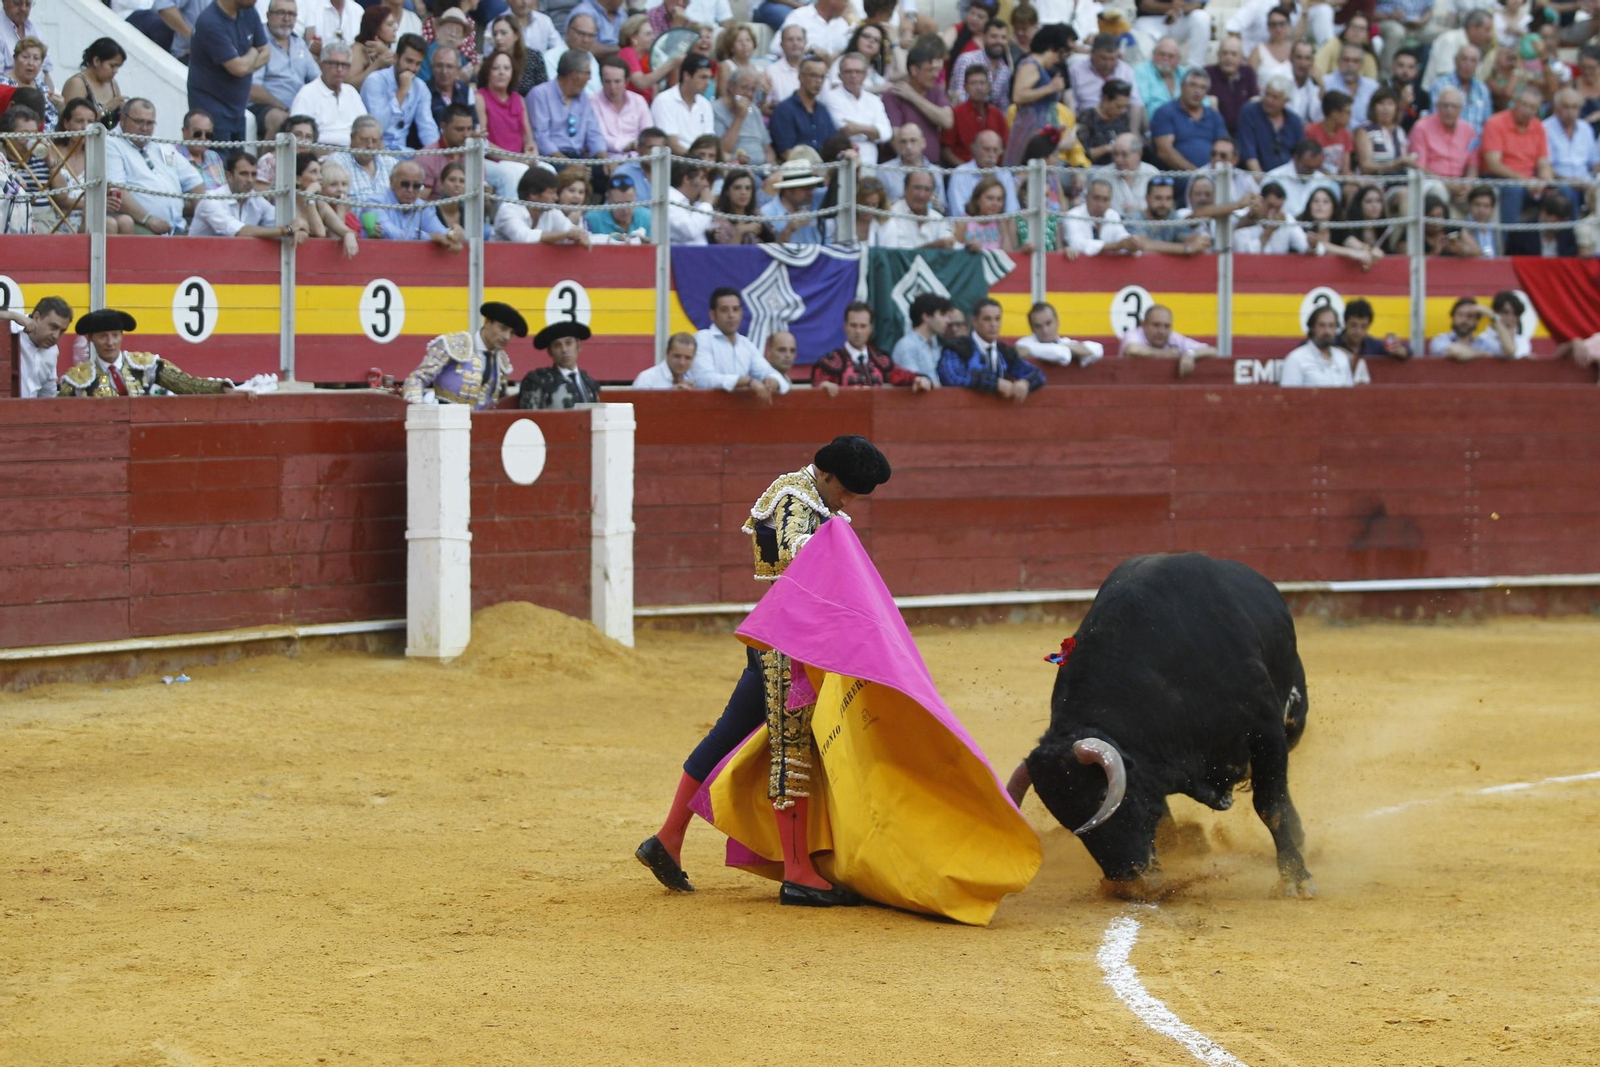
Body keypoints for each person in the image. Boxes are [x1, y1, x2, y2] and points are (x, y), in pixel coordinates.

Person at [636, 435, 893, 905]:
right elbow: (800, 554)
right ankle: (797, 871)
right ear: (828, 474)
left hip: (782, 636)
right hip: (790, 646)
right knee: (792, 748)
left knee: (727, 735)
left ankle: (667, 838)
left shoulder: (806, 495)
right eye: (848, 491)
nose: (849, 501)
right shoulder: (796, 499)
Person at [58, 309, 230, 397]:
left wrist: (222, 388)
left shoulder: (144, 365)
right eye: (103, 337)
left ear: (121, 336)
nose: (110, 343)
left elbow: (186, 384)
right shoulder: (77, 379)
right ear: (91, 339)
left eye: (115, 336)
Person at [106, 100, 204, 236]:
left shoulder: (159, 144)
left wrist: (201, 222)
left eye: (150, 123)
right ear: (123, 119)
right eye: (139, 122)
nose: (145, 128)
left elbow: (195, 182)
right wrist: (148, 219)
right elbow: (117, 190)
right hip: (139, 223)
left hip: (176, 227)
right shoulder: (111, 143)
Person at [402, 301, 525, 407]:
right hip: (445, 423)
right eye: (503, 328)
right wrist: (420, 409)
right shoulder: (453, 344)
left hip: (481, 426)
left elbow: (499, 401)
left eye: (512, 333)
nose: (507, 337)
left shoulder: (501, 361)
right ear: (487, 322)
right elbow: (415, 379)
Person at [1482, 85, 1554, 255]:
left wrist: (1546, 182)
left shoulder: (1538, 127)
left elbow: (1543, 163)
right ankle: (1508, 247)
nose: (1527, 110)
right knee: (1514, 190)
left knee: (1562, 192)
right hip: (1500, 179)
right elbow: (1493, 164)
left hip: (1530, 182)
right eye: (1524, 104)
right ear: (1514, 103)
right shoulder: (1495, 123)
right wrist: (1524, 180)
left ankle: (1564, 249)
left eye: (1533, 107)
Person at [937, 297, 1046, 402]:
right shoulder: (958, 348)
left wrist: (1026, 383)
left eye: (997, 319)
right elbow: (953, 377)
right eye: (987, 319)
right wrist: (995, 384)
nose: (993, 324)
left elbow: (1037, 374)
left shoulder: (1004, 351)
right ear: (974, 321)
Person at [811, 302, 933, 393]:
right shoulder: (830, 363)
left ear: (870, 328)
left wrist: (918, 379)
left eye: (863, 326)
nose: (858, 331)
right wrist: (823, 386)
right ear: (845, 327)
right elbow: (818, 387)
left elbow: (901, 376)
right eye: (853, 325)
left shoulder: (880, 360)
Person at [689, 287, 789, 399]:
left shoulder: (746, 344)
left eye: (735, 309)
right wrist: (745, 381)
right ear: (712, 315)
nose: (731, 315)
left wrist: (773, 380)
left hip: (740, 414)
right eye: (724, 310)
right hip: (705, 411)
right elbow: (703, 379)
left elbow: (772, 374)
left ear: (741, 313)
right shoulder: (702, 338)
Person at [191, 150, 309, 244]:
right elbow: (240, 231)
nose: (250, 180)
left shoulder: (255, 198)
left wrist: (300, 228)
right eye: (244, 174)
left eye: (254, 174)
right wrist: (287, 230)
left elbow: (284, 220)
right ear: (229, 176)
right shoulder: (211, 200)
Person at [354, 32, 435, 150]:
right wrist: (401, 93)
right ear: (396, 58)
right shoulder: (375, 81)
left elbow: (427, 127)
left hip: (403, 152)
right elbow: (379, 126)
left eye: (418, 64)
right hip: (374, 150)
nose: (412, 68)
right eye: (409, 61)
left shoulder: (420, 88)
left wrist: (437, 153)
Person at [252, 0, 320, 138]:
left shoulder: (299, 42)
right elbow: (253, 90)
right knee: (281, 121)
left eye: (291, 14)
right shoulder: (258, 40)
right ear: (268, 15)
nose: (287, 18)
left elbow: (318, 79)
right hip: (264, 106)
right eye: (281, 13)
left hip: (298, 107)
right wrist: (285, 108)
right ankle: (267, 159)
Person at [883, 39, 952, 164]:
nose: (936, 75)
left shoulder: (936, 90)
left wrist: (913, 97)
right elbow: (896, 137)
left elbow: (947, 121)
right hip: (903, 167)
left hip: (933, 166)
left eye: (937, 70)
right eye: (930, 70)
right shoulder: (893, 94)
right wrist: (917, 165)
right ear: (914, 70)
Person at [367, 159, 464, 248]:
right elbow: (392, 234)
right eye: (405, 184)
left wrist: (453, 234)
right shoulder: (375, 202)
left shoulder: (423, 207)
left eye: (416, 186)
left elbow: (439, 232)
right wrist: (428, 236)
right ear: (392, 181)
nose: (410, 190)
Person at [528, 49, 606, 158]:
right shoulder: (540, 94)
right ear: (574, 74)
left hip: (579, 157)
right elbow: (541, 137)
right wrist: (568, 164)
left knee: (612, 171)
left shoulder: (583, 98)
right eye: (587, 73)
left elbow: (594, 133)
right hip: (551, 158)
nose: (590, 78)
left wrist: (604, 159)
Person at [822, 51, 892, 167]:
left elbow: (886, 133)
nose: (853, 75)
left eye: (858, 72)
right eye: (848, 71)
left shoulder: (874, 100)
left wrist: (858, 128)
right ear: (840, 76)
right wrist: (872, 131)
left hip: (871, 163)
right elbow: (845, 129)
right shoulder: (831, 97)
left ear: (865, 75)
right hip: (843, 163)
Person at [1151, 67, 1229, 170]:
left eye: (1203, 87)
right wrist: (1196, 174)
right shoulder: (1165, 112)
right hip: (1178, 178)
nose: (1198, 91)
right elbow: (1164, 151)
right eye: (1193, 85)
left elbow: (1225, 147)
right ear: (1182, 86)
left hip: (1211, 175)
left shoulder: (1214, 116)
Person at [290, 42, 366, 146]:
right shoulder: (307, 93)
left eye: (344, 65)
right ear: (321, 65)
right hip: (321, 153)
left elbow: (365, 126)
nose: (340, 69)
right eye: (334, 64)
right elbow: (298, 136)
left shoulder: (351, 92)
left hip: (356, 153)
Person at [495, 166, 591, 244]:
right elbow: (524, 238)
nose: (556, 198)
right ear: (533, 194)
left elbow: (573, 231)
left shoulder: (551, 211)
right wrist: (566, 235)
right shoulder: (509, 209)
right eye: (551, 193)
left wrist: (578, 235)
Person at [1119, 303, 1218, 376]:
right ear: (1144, 325)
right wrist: (1165, 354)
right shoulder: (1135, 334)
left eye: (1167, 326)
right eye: (1156, 325)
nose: (1162, 331)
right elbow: (1132, 349)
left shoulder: (1173, 338)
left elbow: (1213, 351)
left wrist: (1190, 354)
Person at [519, 320, 601, 408]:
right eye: (557, 345)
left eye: (569, 343)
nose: (564, 350)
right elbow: (529, 419)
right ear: (550, 351)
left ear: (579, 346)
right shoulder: (538, 382)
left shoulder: (588, 382)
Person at [2, 294, 71, 398]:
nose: (56, 336)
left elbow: (48, 394)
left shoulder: (52, 351)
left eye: (62, 331)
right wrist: (13, 316)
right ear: (37, 317)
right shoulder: (10, 330)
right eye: (53, 327)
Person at [769, 55, 837, 157]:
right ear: (800, 77)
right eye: (814, 75)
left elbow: (833, 143)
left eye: (822, 77)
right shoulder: (784, 110)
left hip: (825, 168)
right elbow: (786, 152)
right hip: (797, 169)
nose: (819, 81)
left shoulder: (823, 111)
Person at [1238, 74, 1305, 173]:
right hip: (1254, 177)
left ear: (1285, 101)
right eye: (1267, 94)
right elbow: (1249, 152)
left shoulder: (1294, 121)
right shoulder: (1249, 112)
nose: (1269, 100)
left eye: (1275, 97)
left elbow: (1300, 155)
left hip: (1287, 178)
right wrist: (1262, 181)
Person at [947, 129, 1020, 219]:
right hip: (968, 229)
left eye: (995, 150)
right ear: (974, 149)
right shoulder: (960, 174)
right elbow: (959, 212)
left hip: (1000, 227)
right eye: (986, 149)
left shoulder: (1005, 174)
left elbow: (1012, 211)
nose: (991, 155)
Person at [650, 52, 714, 154]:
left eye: (709, 78)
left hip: (701, 162)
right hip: (675, 164)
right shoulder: (664, 100)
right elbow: (672, 144)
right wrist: (698, 161)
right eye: (703, 77)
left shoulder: (705, 104)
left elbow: (709, 143)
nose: (708, 83)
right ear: (687, 75)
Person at [878, 168, 957, 248]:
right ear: (905, 189)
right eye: (917, 188)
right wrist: (935, 246)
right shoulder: (890, 216)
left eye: (927, 189)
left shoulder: (939, 219)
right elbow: (894, 256)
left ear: (932, 193)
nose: (921, 195)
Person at [477, 50, 536, 156]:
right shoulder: (480, 97)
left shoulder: (518, 99)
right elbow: (483, 141)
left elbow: (528, 138)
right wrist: (516, 159)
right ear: (487, 73)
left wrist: (532, 152)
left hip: (520, 159)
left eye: (507, 68)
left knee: (548, 169)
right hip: (494, 160)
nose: (501, 72)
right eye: (496, 68)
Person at [1063, 176, 1139, 258]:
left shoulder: (1112, 215)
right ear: (1086, 197)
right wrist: (1116, 246)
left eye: (1105, 199)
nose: (1100, 204)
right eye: (1096, 198)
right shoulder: (1073, 215)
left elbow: (1121, 236)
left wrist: (1131, 243)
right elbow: (1077, 244)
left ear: (1110, 201)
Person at [325, 116, 393, 207]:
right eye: (364, 140)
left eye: (375, 141)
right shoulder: (337, 161)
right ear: (352, 138)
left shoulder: (390, 162)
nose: (370, 145)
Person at [1281, 305, 1355, 387]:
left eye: (1331, 325)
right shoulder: (1296, 359)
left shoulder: (1342, 358)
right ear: (1312, 327)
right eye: (1322, 325)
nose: (1327, 331)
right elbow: (1288, 397)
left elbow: (1349, 396)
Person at [59, 38, 125, 129]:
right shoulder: (77, 83)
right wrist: (106, 108)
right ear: (96, 61)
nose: (116, 71)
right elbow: (73, 121)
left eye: (118, 67)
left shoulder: (113, 84)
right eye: (112, 66)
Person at [1428, 296, 1521, 359]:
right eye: (1460, 315)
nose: (1464, 320)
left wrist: (1492, 316)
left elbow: (1510, 351)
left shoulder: (1483, 343)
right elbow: (1456, 351)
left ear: (1477, 321)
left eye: (1470, 316)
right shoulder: (1441, 339)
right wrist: (1484, 354)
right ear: (1453, 318)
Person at [714, 68, 773, 167]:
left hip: (762, 169)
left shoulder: (754, 110)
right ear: (731, 87)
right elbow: (723, 150)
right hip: (737, 169)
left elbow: (767, 148)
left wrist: (771, 166)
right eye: (744, 88)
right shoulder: (716, 110)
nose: (749, 94)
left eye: (753, 90)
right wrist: (739, 116)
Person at [1423, 8, 1495, 89]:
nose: (1490, 35)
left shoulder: (1477, 48)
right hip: (1439, 95)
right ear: (1473, 27)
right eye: (1487, 30)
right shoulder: (1449, 40)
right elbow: (1445, 77)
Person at [1015, 301, 1102, 367]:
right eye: (1038, 326)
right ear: (1032, 328)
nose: (1045, 330)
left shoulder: (1064, 342)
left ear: (1057, 322)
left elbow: (1098, 349)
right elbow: (1061, 354)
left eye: (1048, 323)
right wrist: (1071, 350)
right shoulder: (1024, 343)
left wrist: (1031, 351)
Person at [888, 292, 951, 383]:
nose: (948, 321)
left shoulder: (936, 345)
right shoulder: (907, 346)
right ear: (926, 317)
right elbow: (914, 383)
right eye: (942, 314)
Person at [949, 17, 1012, 107]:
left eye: (1003, 37)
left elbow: (1003, 105)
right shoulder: (967, 60)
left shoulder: (1005, 70)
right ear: (983, 38)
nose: (999, 41)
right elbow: (959, 98)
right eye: (994, 37)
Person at [594, 56, 650, 154]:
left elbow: (648, 132)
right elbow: (599, 138)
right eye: (607, 81)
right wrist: (630, 145)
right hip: (608, 159)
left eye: (617, 81)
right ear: (601, 81)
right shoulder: (593, 102)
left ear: (626, 81)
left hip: (638, 158)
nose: (612, 87)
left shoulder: (638, 101)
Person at [760, 157, 824, 243]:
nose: (811, 192)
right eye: (805, 188)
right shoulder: (767, 214)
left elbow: (837, 189)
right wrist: (788, 230)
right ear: (789, 190)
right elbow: (768, 252)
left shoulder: (814, 200)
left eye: (812, 187)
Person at [1135, 0, 1212, 70]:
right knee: (1143, 44)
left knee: (1201, 17)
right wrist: (1171, 8)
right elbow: (1144, 4)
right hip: (1149, 19)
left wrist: (1180, 10)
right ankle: (1146, 75)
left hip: (1180, 18)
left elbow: (1200, 3)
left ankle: (1195, 71)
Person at [1206, 35, 1257, 135]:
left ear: (1241, 58)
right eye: (1224, 53)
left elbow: (1254, 100)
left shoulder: (1248, 73)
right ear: (1218, 55)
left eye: (1234, 54)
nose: (1228, 58)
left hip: (1243, 132)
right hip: (1215, 132)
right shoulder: (1208, 73)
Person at [1077, 77, 1134, 167]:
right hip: (1094, 167)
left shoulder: (1123, 118)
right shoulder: (1088, 117)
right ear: (1106, 99)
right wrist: (1107, 148)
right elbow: (1081, 152)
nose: (1122, 110)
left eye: (1125, 107)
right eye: (1118, 106)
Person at [544, 12, 603, 98]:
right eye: (581, 33)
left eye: (591, 36)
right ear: (568, 32)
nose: (585, 40)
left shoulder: (591, 58)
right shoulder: (550, 58)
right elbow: (556, 93)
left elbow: (598, 91)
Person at [773, 0, 850, 63]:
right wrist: (810, 51)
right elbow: (775, 47)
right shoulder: (799, 17)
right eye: (845, 1)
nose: (848, 5)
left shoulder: (842, 24)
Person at [1339, 297, 1411, 360]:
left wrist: (1402, 351)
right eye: (1353, 325)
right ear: (1345, 323)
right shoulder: (1333, 343)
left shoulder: (1373, 346)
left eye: (1364, 326)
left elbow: (1408, 351)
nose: (1358, 331)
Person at [1134, 36, 1188, 119]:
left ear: (1178, 60)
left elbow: (1203, 102)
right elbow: (1142, 103)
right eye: (1162, 54)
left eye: (1171, 56)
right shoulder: (1142, 71)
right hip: (1156, 121)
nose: (1165, 58)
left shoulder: (1185, 73)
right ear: (1153, 54)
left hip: (1184, 120)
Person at [1325, 42, 1378, 123]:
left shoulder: (1373, 88)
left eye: (1355, 61)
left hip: (1366, 133)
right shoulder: (1326, 83)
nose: (1350, 64)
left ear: (1361, 64)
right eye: (1346, 60)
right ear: (1339, 62)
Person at [1305, 89, 1355, 175]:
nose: (1350, 117)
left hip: (1339, 179)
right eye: (1347, 112)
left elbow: (1345, 169)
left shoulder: (1346, 134)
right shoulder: (1310, 131)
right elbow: (1309, 163)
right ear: (1334, 113)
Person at [666, 159, 714, 243]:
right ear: (687, 179)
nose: (706, 184)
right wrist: (706, 204)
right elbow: (690, 231)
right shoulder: (670, 199)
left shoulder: (693, 202)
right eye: (702, 178)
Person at [178, 108, 226, 190]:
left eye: (208, 134)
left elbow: (223, 190)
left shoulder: (214, 157)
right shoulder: (174, 155)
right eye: (197, 133)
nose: (203, 138)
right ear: (184, 132)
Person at [631, 332, 697, 388]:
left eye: (688, 358)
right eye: (677, 356)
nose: (682, 362)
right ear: (667, 353)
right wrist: (670, 395)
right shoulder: (647, 379)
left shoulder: (694, 380)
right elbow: (640, 403)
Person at [1287, 40, 1324, 123]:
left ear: (1312, 61)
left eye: (1307, 58)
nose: (1303, 63)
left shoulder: (1315, 85)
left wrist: (1322, 87)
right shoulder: (1281, 78)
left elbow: (1317, 117)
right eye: (1299, 57)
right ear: (1291, 58)